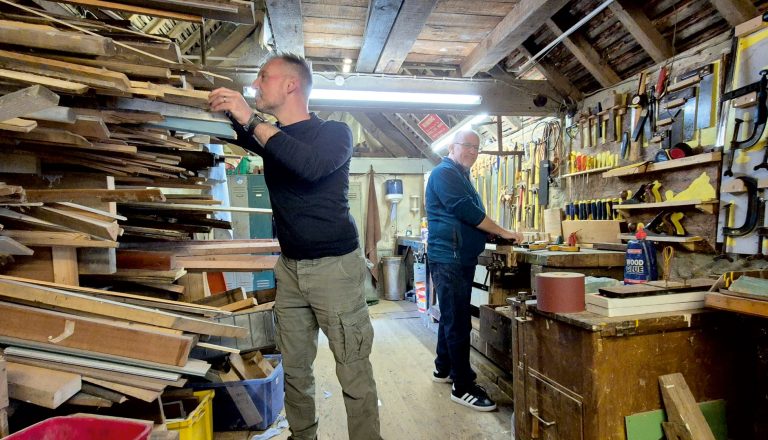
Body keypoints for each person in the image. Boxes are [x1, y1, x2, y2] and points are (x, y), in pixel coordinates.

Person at [208, 54, 381, 440]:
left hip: (335, 268)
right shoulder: (268, 137)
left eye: (263, 76)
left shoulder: (335, 133)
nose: (256, 85)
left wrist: (251, 118)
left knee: (353, 369)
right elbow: (230, 128)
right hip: (290, 268)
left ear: (291, 85)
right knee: (296, 370)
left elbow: (310, 166)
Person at [425, 129, 523, 411]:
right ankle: (462, 385)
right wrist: (503, 230)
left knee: (451, 315)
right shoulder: (444, 173)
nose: (472, 152)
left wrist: (494, 236)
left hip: (459, 256)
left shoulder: (460, 175)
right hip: (450, 258)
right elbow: (466, 211)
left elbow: (469, 217)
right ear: (452, 147)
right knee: (458, 321)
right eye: (467, 146)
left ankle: (443, 368)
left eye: (476, 148)